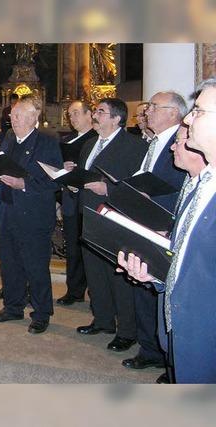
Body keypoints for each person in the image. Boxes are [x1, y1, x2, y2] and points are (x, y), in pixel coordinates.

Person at [118, 78, 216, 383]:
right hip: (183, 334)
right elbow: (193, 262)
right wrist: (159, 275)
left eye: (199, 112)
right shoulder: (202, 184)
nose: (188, 118)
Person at [0, 96, 63, 334]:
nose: (11, 119)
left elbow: (54, 181)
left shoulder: (47, 142)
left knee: (36, 266)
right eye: (12, 115)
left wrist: (23, 184)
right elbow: (2, 171)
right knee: (10, 264)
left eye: (17, 115)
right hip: (7, 211)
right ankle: (13, 307)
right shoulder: (8, 138)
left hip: (33, 215)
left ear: (33, 118)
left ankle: (41, 313)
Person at [120, 91, 187, 372]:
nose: (147, 112)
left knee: (157, 291)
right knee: (142, 286)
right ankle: (149, 348)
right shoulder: (156, 141)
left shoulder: (181, 142)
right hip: (144, 223)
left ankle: (163, 354)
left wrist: (150, 199)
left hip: (163, 224)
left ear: (173, 112)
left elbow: (182, 188)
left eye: (154, 108)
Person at [75, 98, 148, 351]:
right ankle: (103, 319)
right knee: (94, 272)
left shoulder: (134, 146)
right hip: (89, 215)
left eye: (100, 112)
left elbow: (139, 187)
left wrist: (109, 189)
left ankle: (127, 330)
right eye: (95, 111)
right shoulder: (89, 145)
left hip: (115, 218)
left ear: (117, 119)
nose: (95, 115)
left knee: (118, 276)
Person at [56, 100, 97, 306]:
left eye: (76, 113)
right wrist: (62, 168)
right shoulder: (68, 140)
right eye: (70, 114)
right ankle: (74, 290)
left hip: (89, 201)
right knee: (72, 247)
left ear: (90, 114)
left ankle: (95, 293)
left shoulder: (97, 139)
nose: (71, 118)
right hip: (70, 199)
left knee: (89, 250)